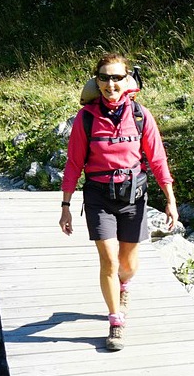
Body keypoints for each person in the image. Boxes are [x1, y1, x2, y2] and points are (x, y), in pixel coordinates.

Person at [59, 53, 178, 351]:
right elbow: (74, 164)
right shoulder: (86, 119)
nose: (111, 83)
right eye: (104, 77)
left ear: (128, 81)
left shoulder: (140, 115)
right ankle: (115, 322)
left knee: (128, 263)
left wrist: (170, 200)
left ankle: (124, 286)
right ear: (96, 81)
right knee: (109, 261)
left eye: (117, 77)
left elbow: (158, 158)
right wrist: (66, 206)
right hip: (99, 196)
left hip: (133, 197)